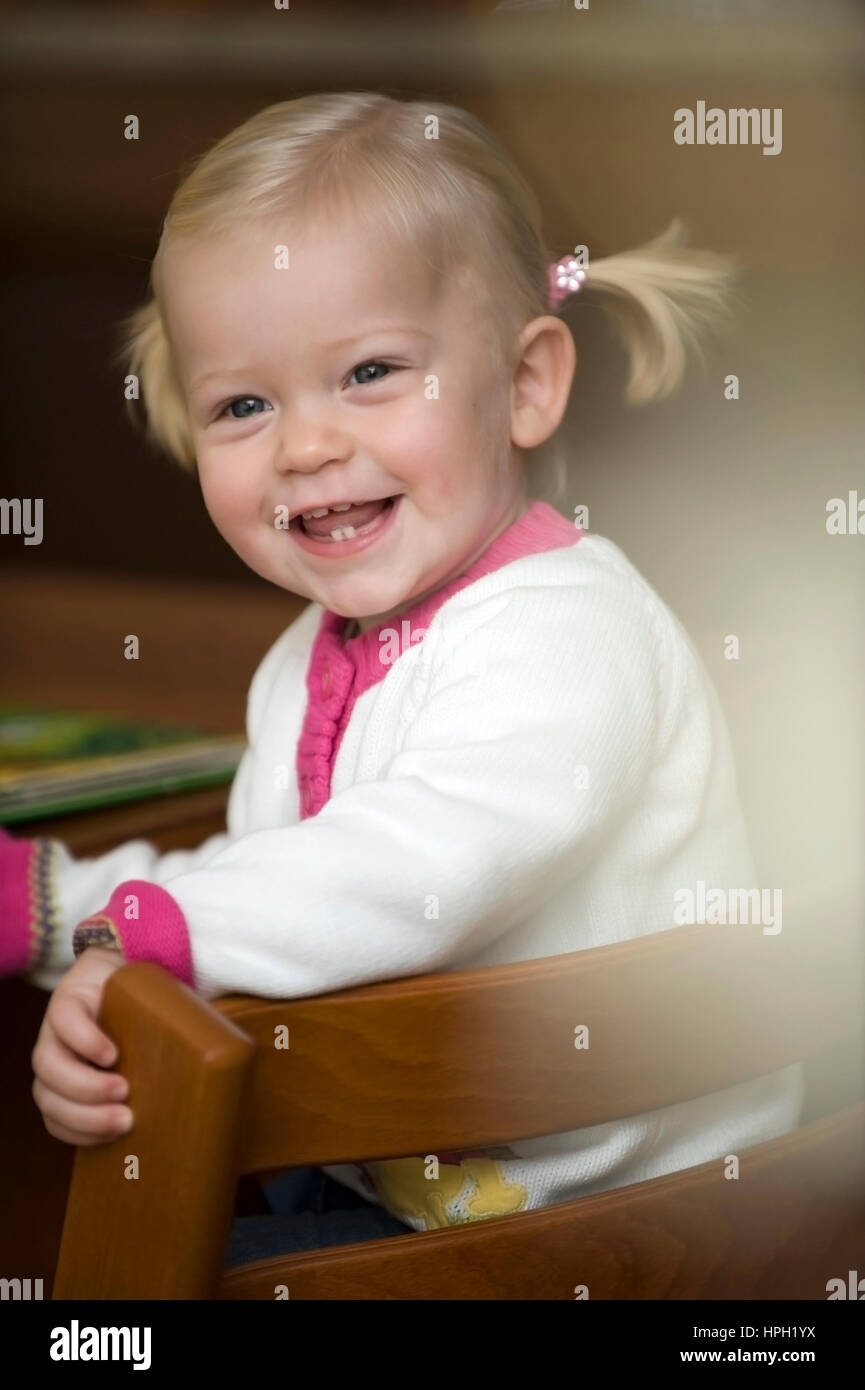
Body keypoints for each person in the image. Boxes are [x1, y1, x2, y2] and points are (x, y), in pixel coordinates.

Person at [2, 92, 801, 1267]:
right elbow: (286, 887)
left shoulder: (566, 627)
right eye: (244, 404)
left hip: (610, 1224)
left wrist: (156, 935)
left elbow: (413, 861)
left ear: (526, 383)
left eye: (370, 371)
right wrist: (63, 910)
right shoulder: (308, 658)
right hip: (407, 1162)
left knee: (106, 1282)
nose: (306, 445)